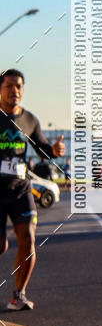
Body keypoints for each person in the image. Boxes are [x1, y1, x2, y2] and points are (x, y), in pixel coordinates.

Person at [0, 69, 65, 310]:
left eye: (18, 86)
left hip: (20, 188)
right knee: (1, 245)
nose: (14, 90)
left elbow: (43, 149)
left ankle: (18, 295)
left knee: (28, 239)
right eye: (9, 86)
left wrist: (54, 151)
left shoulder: (30, 120)